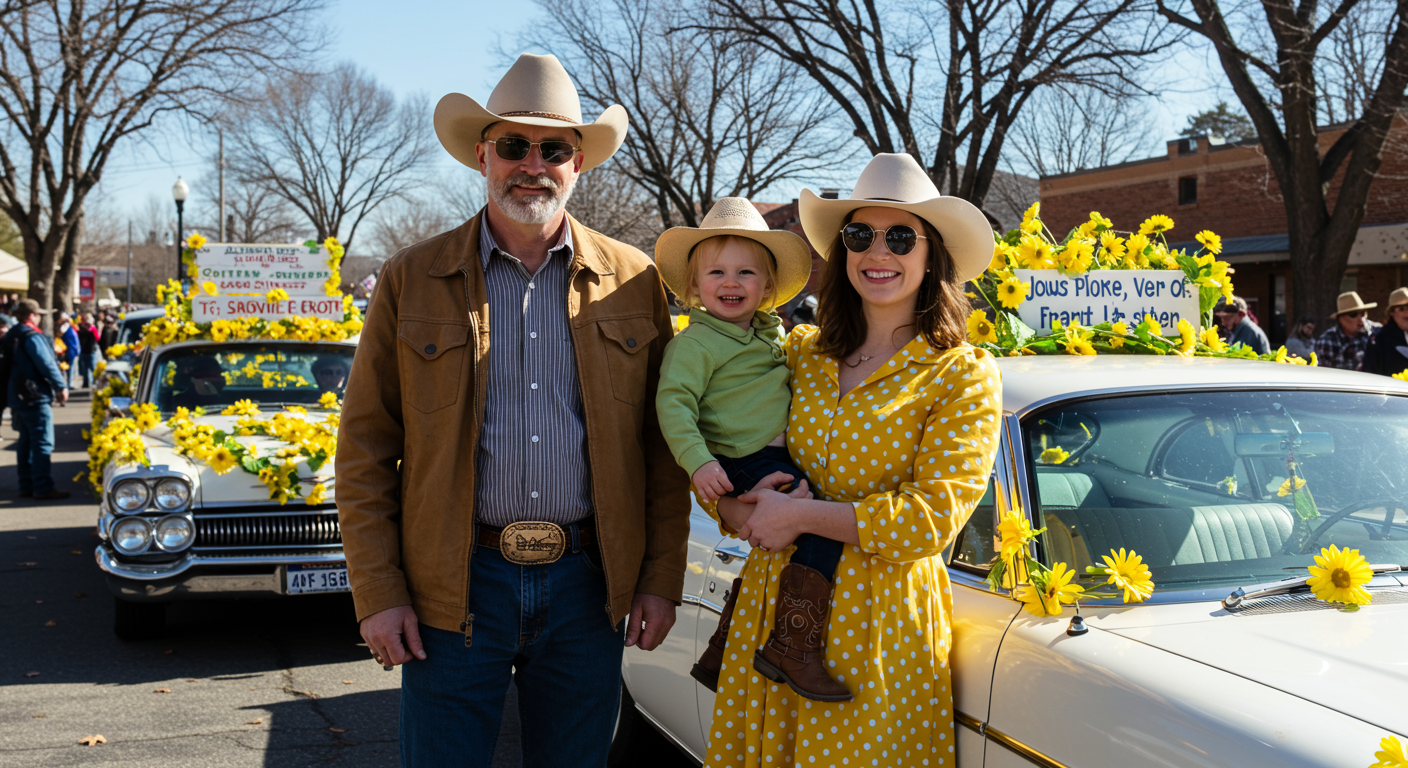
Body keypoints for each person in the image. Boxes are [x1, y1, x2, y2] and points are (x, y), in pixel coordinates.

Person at [336, 53, 689, 768]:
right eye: (513, 146)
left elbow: (661, 449)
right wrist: (378, 592)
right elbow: (367, 448)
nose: (532, 164)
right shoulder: (412, 276)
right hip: (454, 586)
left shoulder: (636, 280)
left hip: (588, 588)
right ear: (481, 155)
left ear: (579, 162)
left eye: (552, 148)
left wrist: (657, 579)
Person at [703, 153, 1001, 767]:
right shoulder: (801, 354)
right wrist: (735, 508)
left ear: (932, 254)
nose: (878, 252)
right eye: (860, 235)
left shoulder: (960, 374)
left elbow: (931, 520)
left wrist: (801, 519)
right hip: (774, 608)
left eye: (900, 237)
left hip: (878, 625)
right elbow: (727, 443)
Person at [652, 198, 851, 700]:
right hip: (741, 461)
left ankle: (724, 646)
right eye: (716, 272)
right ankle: (792, 646)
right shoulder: (695, 344)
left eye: (746, 272)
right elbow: (673, 405)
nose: (731, 282)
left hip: (773, 458)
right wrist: (698, 462)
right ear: (694, 287)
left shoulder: (771, 336)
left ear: (767, 288)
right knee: (820, 529)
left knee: (779, 550)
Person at [3, 300, 70, 499]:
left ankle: (26, 485)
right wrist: (60, 386)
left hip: (17, 396)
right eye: (39, 314)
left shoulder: (12, 334)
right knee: (42, 443)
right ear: (32, 315)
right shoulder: (31, 336)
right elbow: (47, 364)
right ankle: (42, 486)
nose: (40, 318)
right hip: (34, 396)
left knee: (25, 442)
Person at [1315, 291, 1382, 371]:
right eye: (1353, 315)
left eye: (1363, 313)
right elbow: (1325, 375)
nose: (1361, 319)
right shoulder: (1327, 340)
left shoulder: (1377, 332)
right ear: (1340, 318)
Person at [1363, 287, 1408, 377]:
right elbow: (1370, 375)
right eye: (1402, 309)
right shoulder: (1379, 339)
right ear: (1391, 312)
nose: (1407, 313)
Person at [76, 313, 100, 388]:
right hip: (83, 351)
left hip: (91, 351)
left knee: (93, 368)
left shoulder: (92, 328)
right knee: (84, 369)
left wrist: (93, 328)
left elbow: (97, 338)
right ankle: (86, 383)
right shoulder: (80, 328)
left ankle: (95, 382)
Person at [57, 312, 79, 391]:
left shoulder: (70, 328)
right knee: (66, 370)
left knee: (70, 370)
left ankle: (68, 384)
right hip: (66, 352)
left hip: (71, 352)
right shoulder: (64, 328)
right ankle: (66, 385)